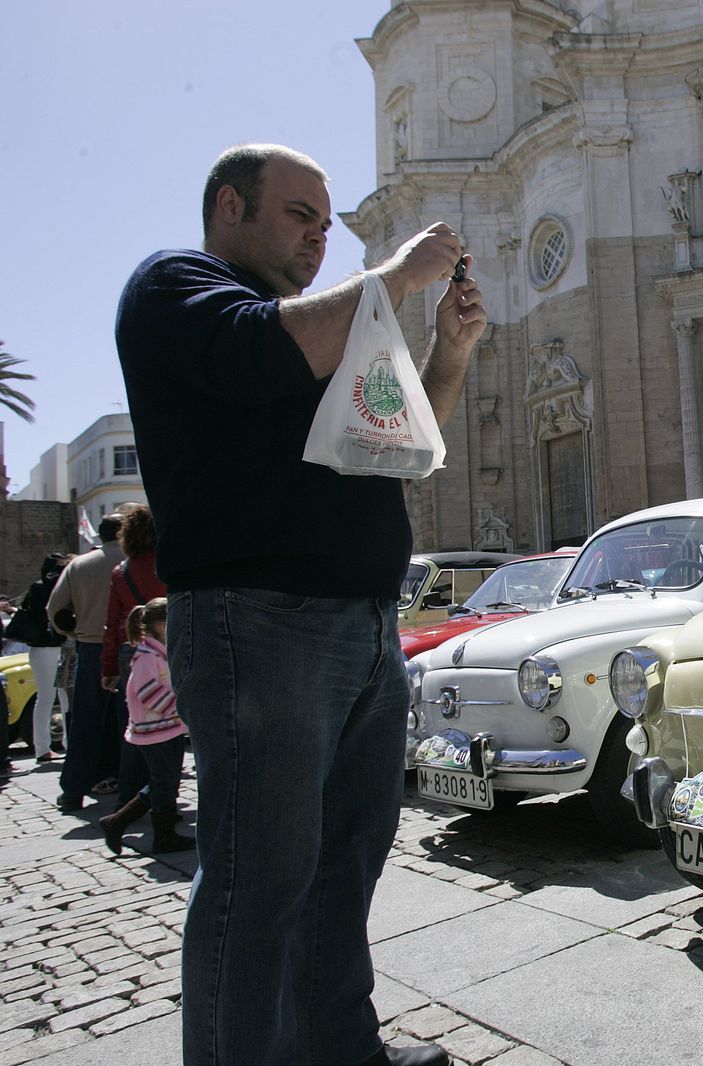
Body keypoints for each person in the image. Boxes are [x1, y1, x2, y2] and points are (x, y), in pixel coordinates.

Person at [116, 143, 485, 1066]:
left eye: (327, 224)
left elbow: (408, 442)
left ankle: (340, 1048)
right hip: (259, 622)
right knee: (258, 884)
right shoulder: (177, 285)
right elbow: (260, 351)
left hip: (363, 628)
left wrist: (449, 352)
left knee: (343, 869)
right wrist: (396, 273)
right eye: (299, 217)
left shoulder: (332, 324)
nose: (320, 237)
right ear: (232, 206)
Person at [98, 598, 193, 856]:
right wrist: (181, 704)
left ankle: (120, 822)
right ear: (158, 625)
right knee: (164, 781)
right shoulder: (146, 656)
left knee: (165, 781)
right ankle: (159, 835)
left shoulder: (158, 653)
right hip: (155, 729)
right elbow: (149, 693)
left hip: (166, 727)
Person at [47, 512, 127, 810]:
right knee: (129, 721)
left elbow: (55, 610)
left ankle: (73, 790)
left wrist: (76, 630)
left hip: (91, 646)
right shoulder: (137, 563)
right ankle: (130, 787)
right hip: (130, 647)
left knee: (85, 721)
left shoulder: (80, 564)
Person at [101, 504, 163, 814]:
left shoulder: (122, 572)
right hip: (165, 650)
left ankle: (129, 795)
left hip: (131, 649)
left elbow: (113, 624)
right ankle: (159, 797)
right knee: (169, 729)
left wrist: (108, 667)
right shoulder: (165, 564)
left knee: (134, 726)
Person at [7, 553, 71, 763]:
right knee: (64, 696)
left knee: (44, 697)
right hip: (59, 645)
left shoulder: (37, 587)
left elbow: (33, 615)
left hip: (39, 648)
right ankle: (68, 744)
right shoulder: (63, 584)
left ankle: (42, 748)